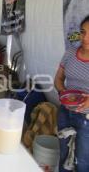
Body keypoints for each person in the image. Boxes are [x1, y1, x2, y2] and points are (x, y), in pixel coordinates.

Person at [54, 15, 89, 172]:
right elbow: (58, 78)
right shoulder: (70, 53)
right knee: (64, 156)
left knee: (82, 161)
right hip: (65, 112)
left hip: (86, 119)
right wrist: (63, 92)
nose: (85, 37)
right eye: (83, 32)